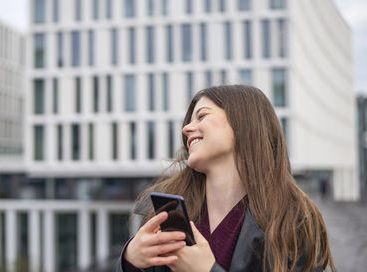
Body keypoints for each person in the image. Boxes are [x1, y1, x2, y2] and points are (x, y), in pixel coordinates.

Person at [114, 85, 336, 272]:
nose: (186, 128)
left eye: (202, 116)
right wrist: (130, 261)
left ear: (243, 123)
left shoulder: (293, 220)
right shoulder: (168, 211)